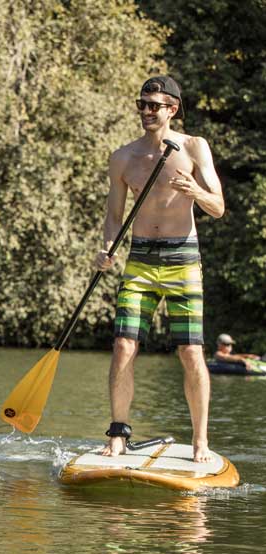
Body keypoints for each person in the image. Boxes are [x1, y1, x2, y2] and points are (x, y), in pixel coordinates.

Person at [94, 76, 224, 463]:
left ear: (172, 109)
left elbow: (217, 207)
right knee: (123, 345)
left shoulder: (194, 147)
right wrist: (106, 248)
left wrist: (195, 192)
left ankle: (200, 441)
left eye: (155, 105)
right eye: (142, 104)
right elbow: (113, 217)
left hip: (183, 258)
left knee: (190, 351)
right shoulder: (124, 157)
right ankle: (118, 434)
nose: (147, 111)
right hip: (140, 260)